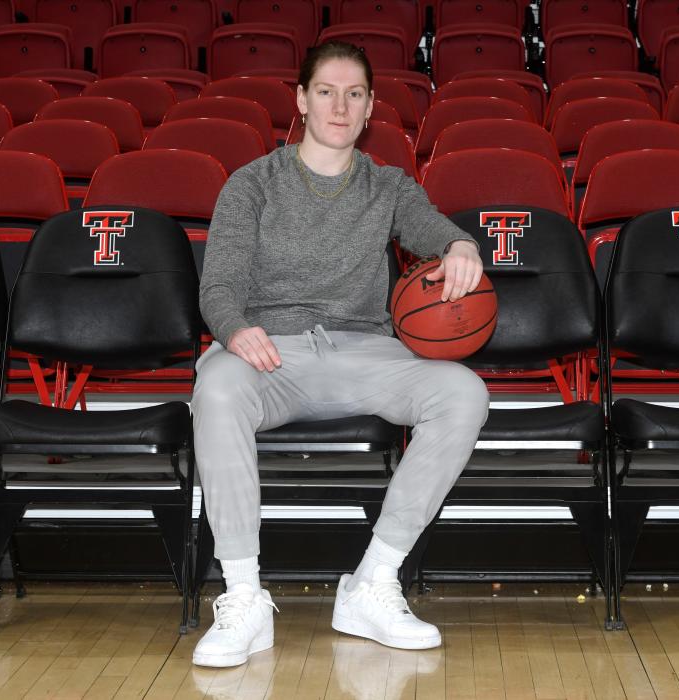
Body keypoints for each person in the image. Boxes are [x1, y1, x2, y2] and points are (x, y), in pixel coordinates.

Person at [190, 41, 491, 668]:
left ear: (371, 107)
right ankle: (243, 596)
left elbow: (435, 229)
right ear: (301, 101)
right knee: (215, 387)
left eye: (354, 93)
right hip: (271, 354)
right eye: (326, 90)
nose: (340, 104)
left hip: (364, 352)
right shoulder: (252, 184)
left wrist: (462, 246)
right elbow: (217, 285)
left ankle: (373, 583)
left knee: (464, 392)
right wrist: (234, 328)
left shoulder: (387, 185)